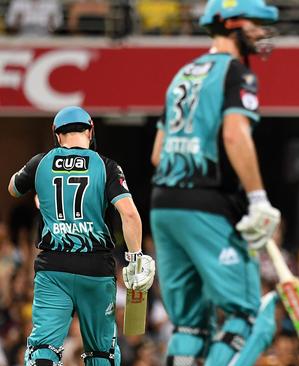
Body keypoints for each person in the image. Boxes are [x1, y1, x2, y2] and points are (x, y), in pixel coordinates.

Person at [149, 0, 281, 365]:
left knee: (188, 326)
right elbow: (235, 136)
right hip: (206, 204)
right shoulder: (237, 72)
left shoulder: (182, 75)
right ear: (232, 24)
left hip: (163, 205)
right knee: (245, 316)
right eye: (256, 23)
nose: (263, 32)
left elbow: (158, 154)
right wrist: (257, 199)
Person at [7, 106, 155, 366]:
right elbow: (129, 215)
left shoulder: (40, 162)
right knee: (101, 354)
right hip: (96, 272)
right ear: (90, 131)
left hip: (53, 270)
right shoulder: (107, 166)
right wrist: (136, 258)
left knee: (43, 349)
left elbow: (13, 188)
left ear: (56, 134)